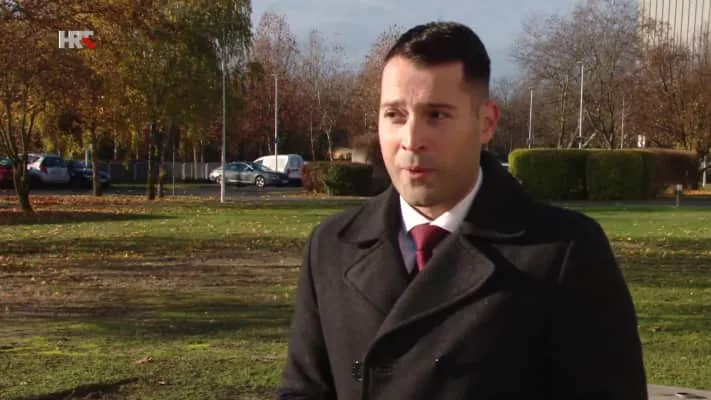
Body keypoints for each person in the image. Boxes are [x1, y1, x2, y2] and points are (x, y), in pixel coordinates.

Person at [276, 21, 647, 400]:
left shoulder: (564, 252)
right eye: (395, 115)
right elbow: (302, 391)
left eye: (436, 115)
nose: (411, 140)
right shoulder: (332, 246)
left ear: (486, 123)